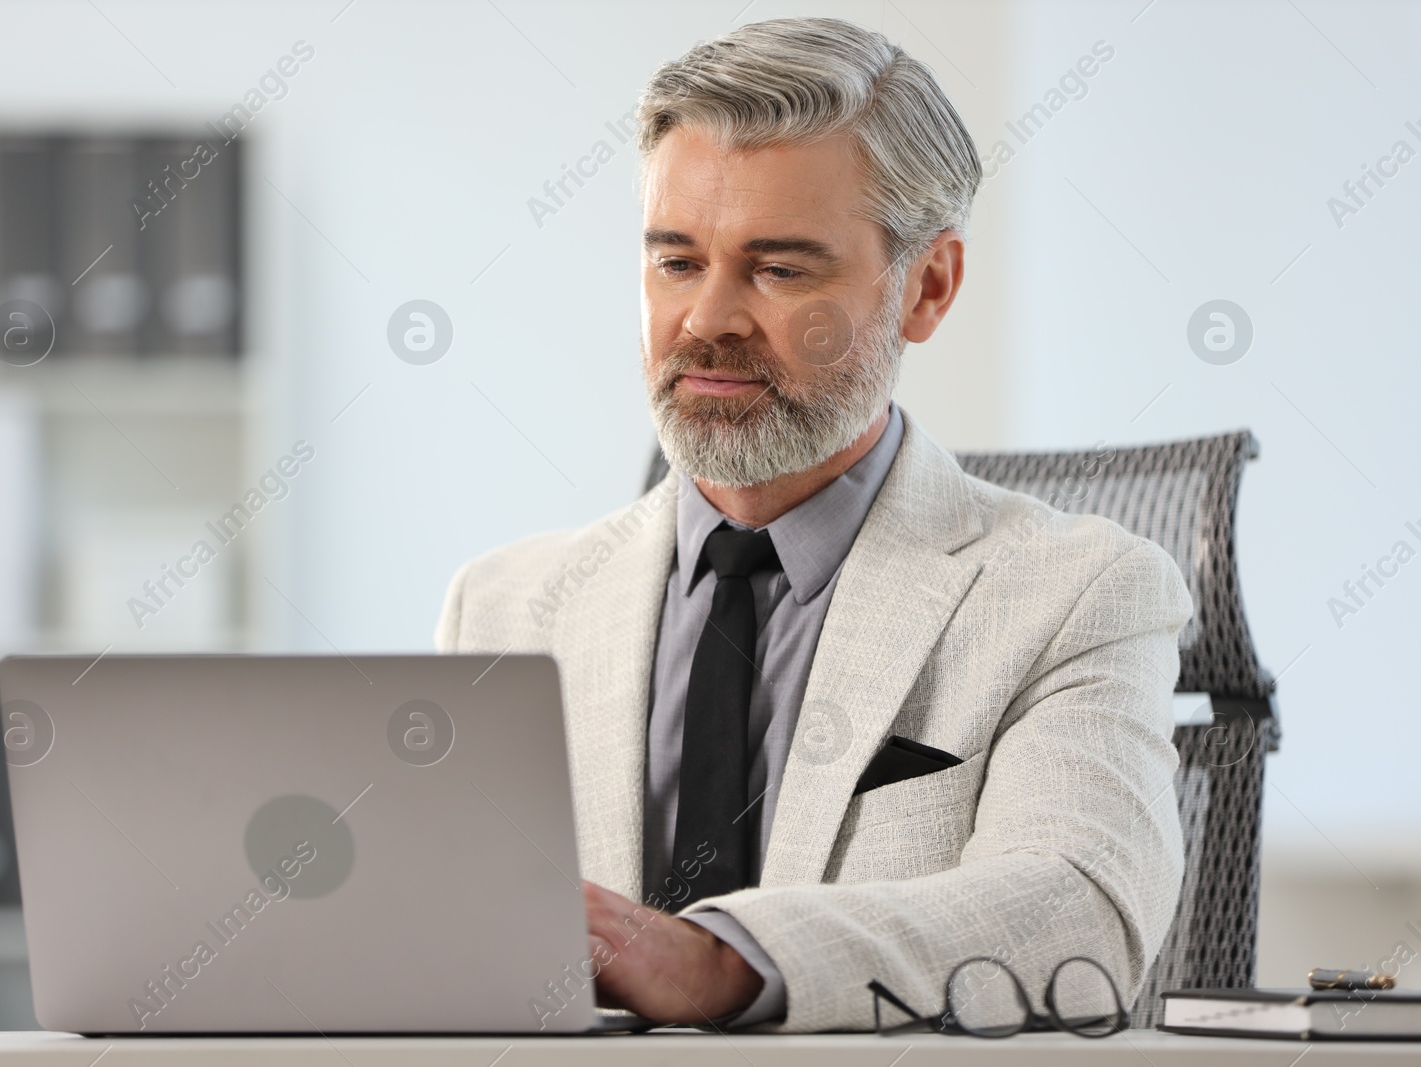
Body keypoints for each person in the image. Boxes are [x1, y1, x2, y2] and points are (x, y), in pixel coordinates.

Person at [435, 16, 1189, 1032]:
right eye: (674, 260)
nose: (706, 319)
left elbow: (1077, 910)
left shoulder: (1074, 595)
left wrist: (717, 962)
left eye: (779, 269)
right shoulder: (506, 604)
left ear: (927, 286)